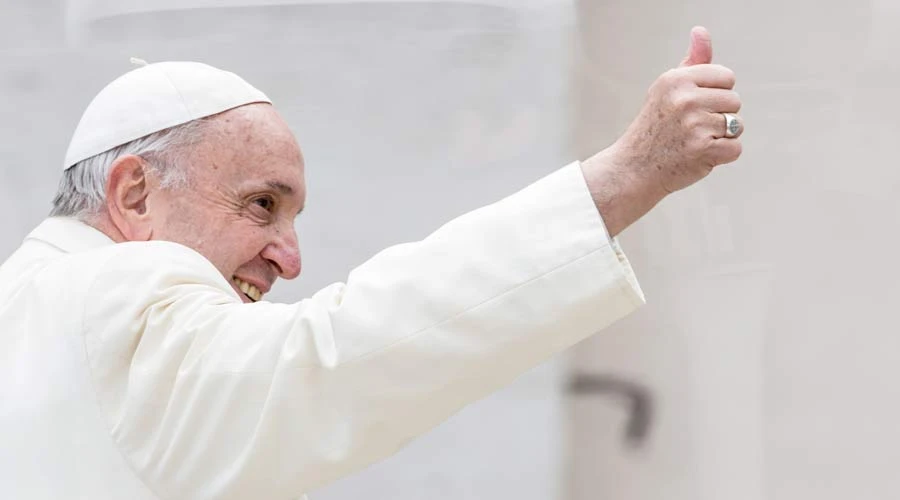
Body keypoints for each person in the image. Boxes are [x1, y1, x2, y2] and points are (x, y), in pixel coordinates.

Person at [0, 26, 742, 499]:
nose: (289, 259)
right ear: (135, 193)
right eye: (262, 204)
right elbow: (338, 355)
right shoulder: (113, 298)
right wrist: (622, 180)